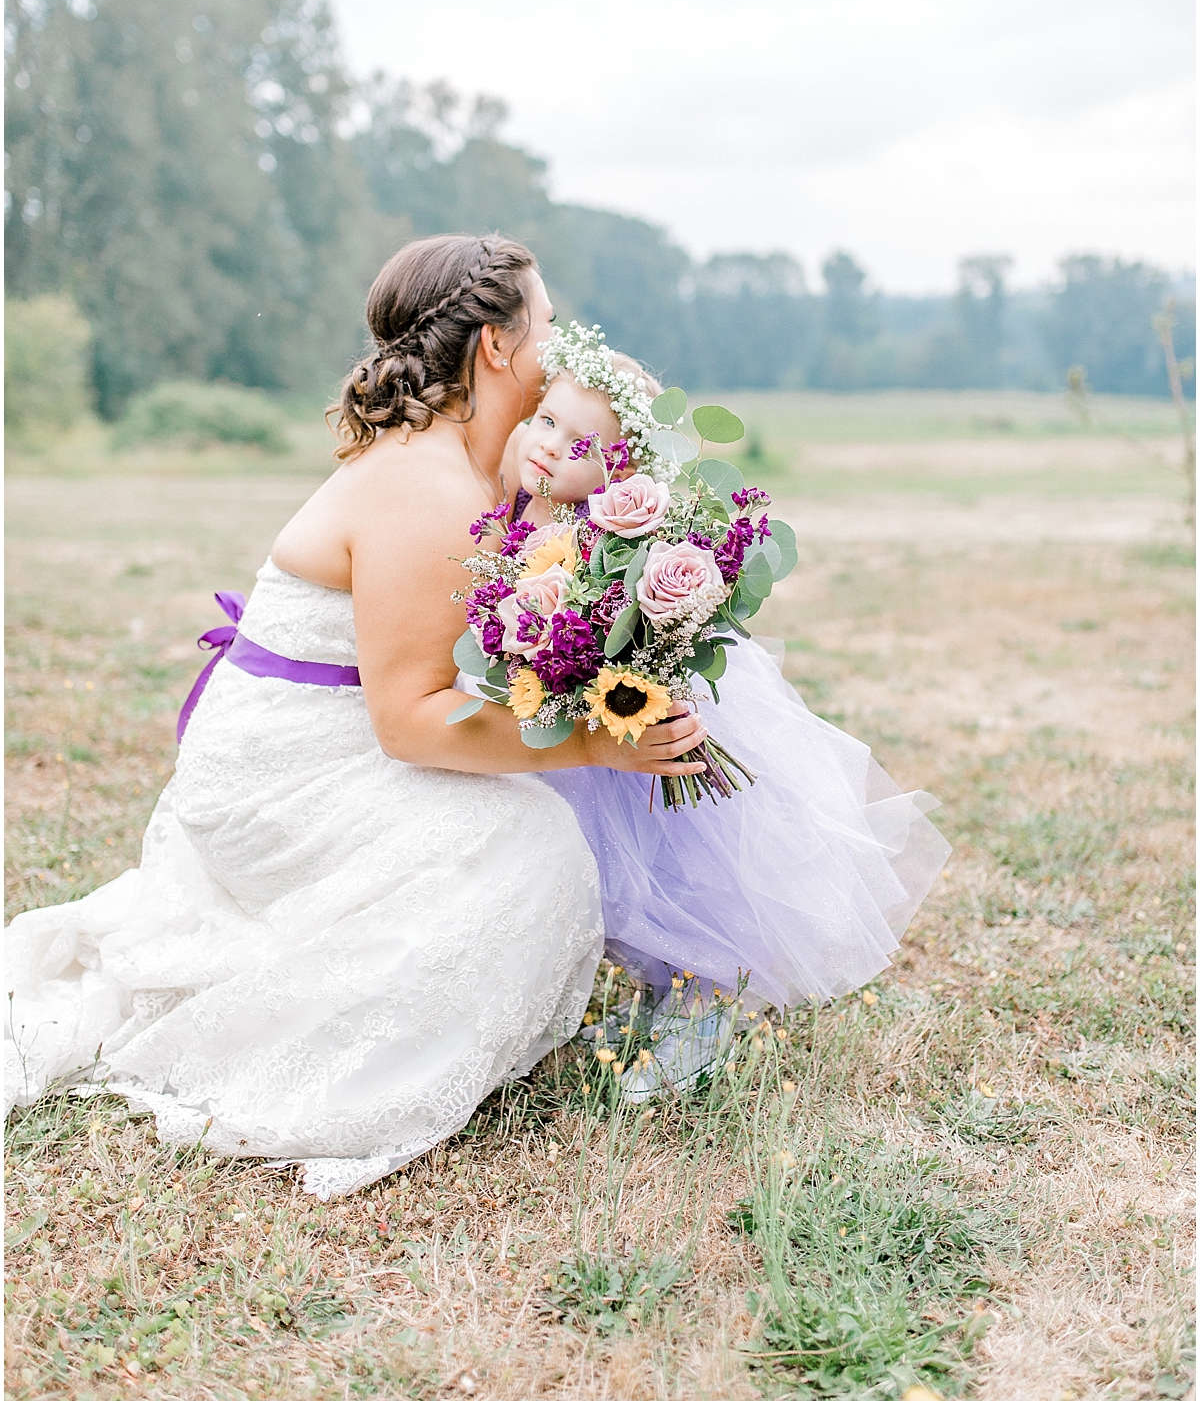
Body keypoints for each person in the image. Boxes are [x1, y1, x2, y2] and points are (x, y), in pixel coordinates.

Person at [3, 236, 706, 1197]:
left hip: (301, 740)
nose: (560, 343)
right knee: (530, 848)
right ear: (498, 346)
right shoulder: (427, 484)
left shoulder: (464, 466)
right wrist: (596, 742)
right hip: (282, 773)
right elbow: (412, 722)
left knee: (525, 823)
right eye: (546, 321)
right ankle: (346, 1053)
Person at [496, 326, 951, 1100]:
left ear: (620, 471)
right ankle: (666, 990)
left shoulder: (604, 534)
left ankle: (711, 997)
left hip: (660, 717)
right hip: (587, 734)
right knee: (612, 867)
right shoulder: (514, 511)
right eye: (545, 421)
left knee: (685, 857)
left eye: (581, 444)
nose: (550, 446)